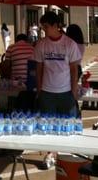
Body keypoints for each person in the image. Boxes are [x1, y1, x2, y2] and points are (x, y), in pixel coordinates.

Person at [34, 11, 80, 169]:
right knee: (48, 125)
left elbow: (74, 69)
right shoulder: (41, 44)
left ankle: (67, 155)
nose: (44, 30)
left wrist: (73, 91)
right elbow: (38, 68)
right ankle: (51, 154)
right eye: (42, 27)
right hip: (47, 92)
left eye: (46, 26)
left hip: (66, 91)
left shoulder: (69, 44)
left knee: (67, 126)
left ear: (56, 25)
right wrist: (39, 89)